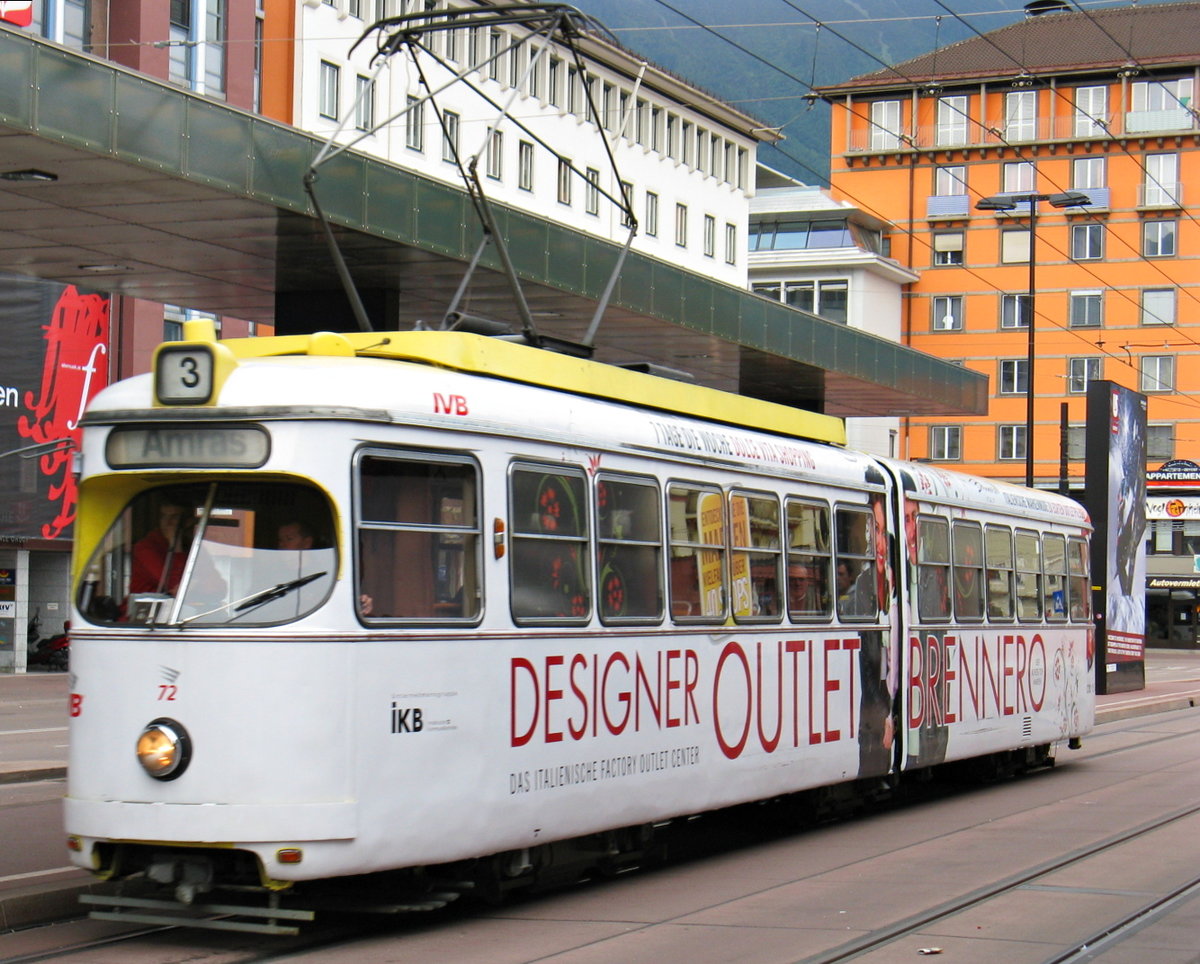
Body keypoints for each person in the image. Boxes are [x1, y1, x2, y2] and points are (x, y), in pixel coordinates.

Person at [278, 520, 372, 614]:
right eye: (280, 540)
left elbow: (342, 603)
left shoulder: (328, 574)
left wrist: (362, 604)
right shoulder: (275, 573)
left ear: (307, 542)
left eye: (289, 539)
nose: (282, 545)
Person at [130, 500, 190, 594]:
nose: (167, 522)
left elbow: (216, 587)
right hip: (146, 606)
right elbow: (174, 585)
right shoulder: (146, 548)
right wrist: (176, 546)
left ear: (187, 522)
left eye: (174, 516)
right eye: (163, 516)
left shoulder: (191, 546)